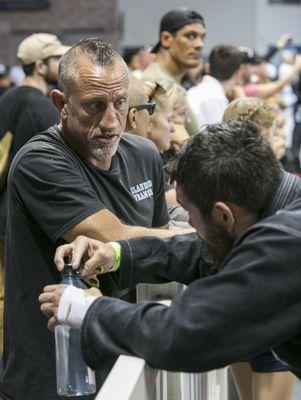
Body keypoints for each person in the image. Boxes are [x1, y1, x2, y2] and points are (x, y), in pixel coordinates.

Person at [40, 120, 301, 390]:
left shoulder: (285, 247)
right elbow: (202, 252)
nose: (191, 226)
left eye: (190, 215)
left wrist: (87, 309)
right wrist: (116, 254)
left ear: (224, 215)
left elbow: (185, 334)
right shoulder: (280, 214)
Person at [1, 38, 188, 400]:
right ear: (61, 104)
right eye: (94, 106)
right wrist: (204, 241)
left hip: (127, 360)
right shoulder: (40, 161)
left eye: (119, 103)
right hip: (53, 375)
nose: (111, 121)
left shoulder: (144, 153)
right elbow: (114, 238)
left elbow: (161, 237)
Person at [0, 33, 68, 356]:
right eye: (57, 59)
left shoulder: (8, 98)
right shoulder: (42, 107)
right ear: (40, 65)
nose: (61, 65)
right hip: (25, 222)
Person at [223, 98, 295, 400]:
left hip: (235, 313)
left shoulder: (219, 186)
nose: (281, 139)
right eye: (275, 132)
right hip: (273, 319)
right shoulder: (285, 190)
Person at [141, 7, 206, 135]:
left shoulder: (169, 81)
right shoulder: (158, 85)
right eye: (190, 36)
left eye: (202, 37)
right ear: (166, 39)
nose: (200, 44)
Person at [188, 44, 241, 127]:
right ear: (238, 72)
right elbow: (217, 139)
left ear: (207, 67)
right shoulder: (215, 99)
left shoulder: (194, 91)